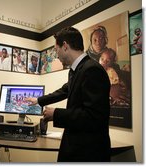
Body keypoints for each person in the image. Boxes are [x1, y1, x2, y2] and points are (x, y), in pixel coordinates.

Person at [25, 27, 111, 162]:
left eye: (56, 49)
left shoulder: (92, 70)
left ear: (65, 46)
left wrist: (56, 114)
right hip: (77, 148)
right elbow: (64, 90)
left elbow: (94, 116)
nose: (56, 55)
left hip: (88, 153)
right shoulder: (77, 70)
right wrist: (38, 100)